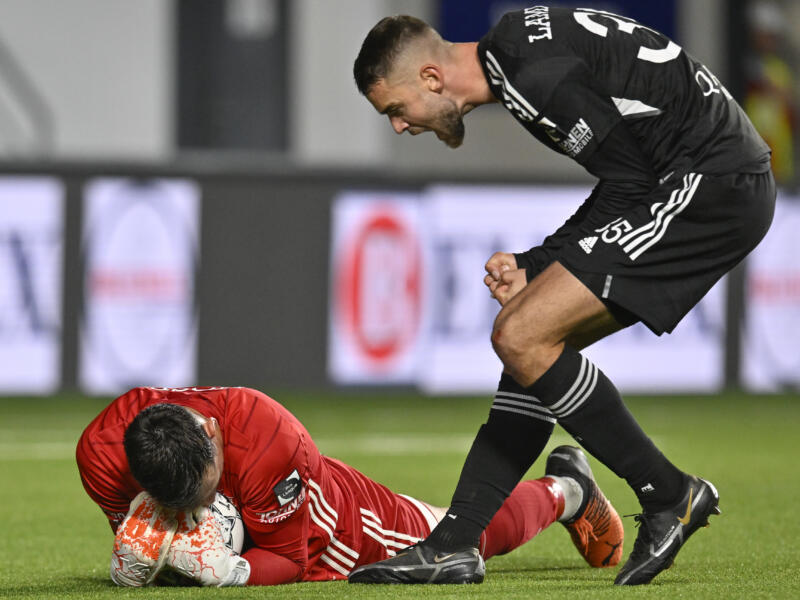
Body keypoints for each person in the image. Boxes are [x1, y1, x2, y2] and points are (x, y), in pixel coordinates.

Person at [352, 6, 775, 586]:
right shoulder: (516, 50)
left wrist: (539, 262)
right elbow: (629, 172)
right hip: (707, 176)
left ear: (430, 77)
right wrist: (536, 266)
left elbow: (630, 183)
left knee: (520, 332)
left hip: (711, 180)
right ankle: (454, 543)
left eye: (396, 110)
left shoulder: (526, 73)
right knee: (528, 342)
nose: (400, 126)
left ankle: (669, 494)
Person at [76, 385, 624, 586]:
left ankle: (565, 489)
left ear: (212, 436)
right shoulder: (100, 455)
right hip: (256, 512)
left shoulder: (268, 440)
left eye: (206, 493)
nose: (199, 509)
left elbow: (288, 560)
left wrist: (236, 571)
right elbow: (151, 528)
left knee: (461, 536)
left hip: (333, 523)